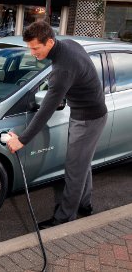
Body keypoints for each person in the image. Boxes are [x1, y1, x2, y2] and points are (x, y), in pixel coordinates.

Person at [6, 21, 108, 229]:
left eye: (36, 48)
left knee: (74, 168)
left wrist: (22, 140)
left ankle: (64, 218)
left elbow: (46, 110)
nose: (32, 52)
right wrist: (69, 94)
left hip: (88, 119)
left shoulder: (62, 69)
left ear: (50, 42)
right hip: (89, 113)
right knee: (82, 163)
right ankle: (85, 205)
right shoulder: (70, 44)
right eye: (29, 47)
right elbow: (82, 75)